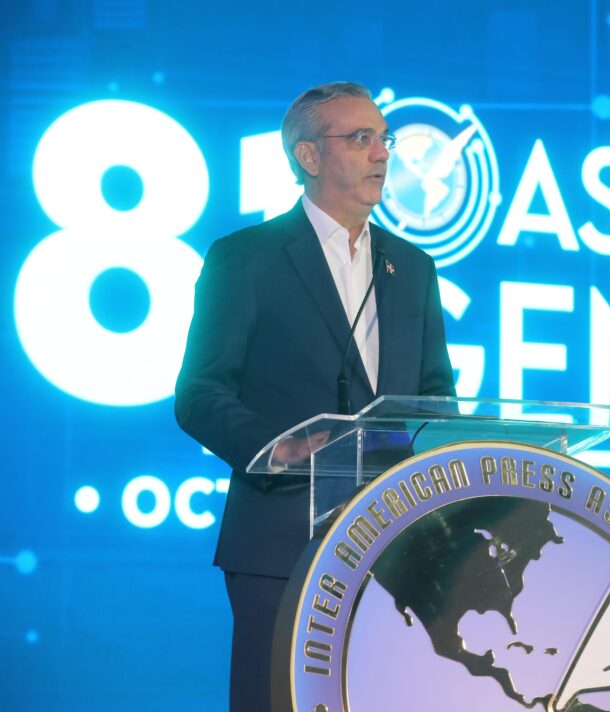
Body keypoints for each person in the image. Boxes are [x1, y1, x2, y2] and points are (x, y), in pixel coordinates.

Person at [174, 81, 456, 711]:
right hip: (282, 538)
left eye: (384, 138)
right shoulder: (248, 258)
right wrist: (279, 448)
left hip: (395, 544)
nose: (382, 153)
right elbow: (200, 392)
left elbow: (437, 395)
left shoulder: (412, 267)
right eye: (362, 138)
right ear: (309, 156)